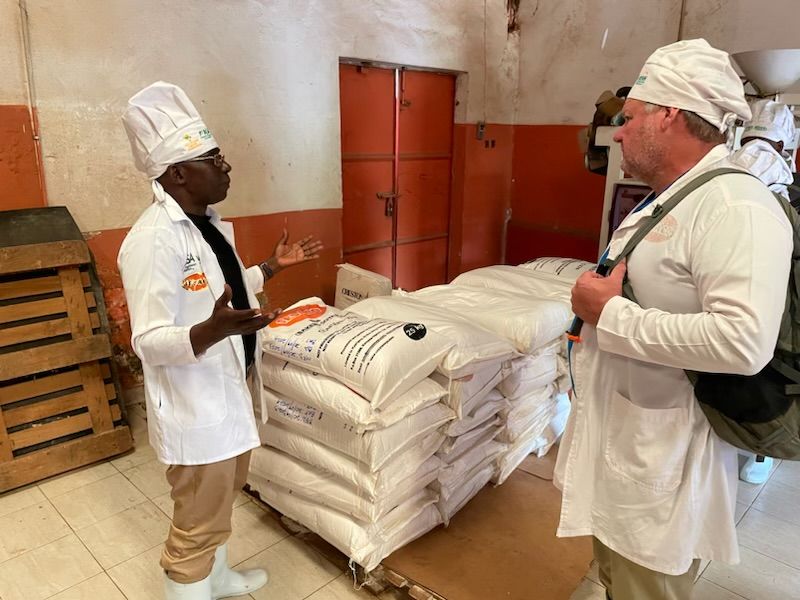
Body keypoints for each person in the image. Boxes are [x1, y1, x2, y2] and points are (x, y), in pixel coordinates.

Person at [558, 39, 793, 600]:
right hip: (627, 439)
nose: (617, 132)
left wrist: (608, 314)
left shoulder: (735, 206)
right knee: (618, 580)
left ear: (668, 116)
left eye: (631, 117)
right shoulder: (669, 199)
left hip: (663, 458)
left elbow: (743, 342)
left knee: (648, 586)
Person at [118, 81, 322, 600]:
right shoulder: (152, 240)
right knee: (196, 524)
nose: (226, 167)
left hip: (230, 391)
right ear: (180, 173)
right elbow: (148, 340)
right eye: (214, 159)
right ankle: (191, 585)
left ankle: (219, 578)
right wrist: (210, 330)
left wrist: (273, 267)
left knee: (224, 499)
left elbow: (221, 289)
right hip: (196, 406)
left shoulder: (207, 227)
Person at [730, 99, 797, 485]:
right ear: (786, 145)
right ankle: (762, 448)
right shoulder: (778, 171)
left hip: (728, 277)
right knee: (769, 361)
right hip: (767, 283)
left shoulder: (727, 163)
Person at [731, 98, 796, 201]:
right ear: (780, 146)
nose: (752, 149)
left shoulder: (728, 159)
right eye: (748, 143)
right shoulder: (773, 164)